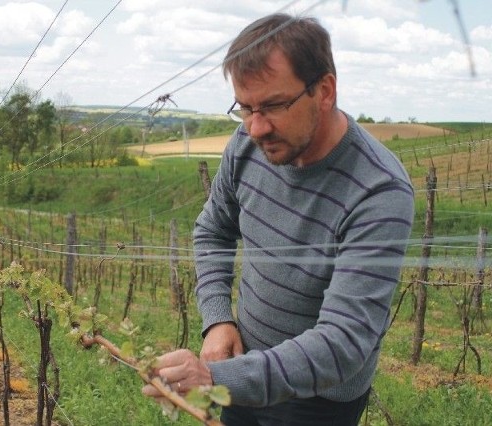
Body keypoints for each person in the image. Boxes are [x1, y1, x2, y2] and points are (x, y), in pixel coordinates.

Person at [142, 12, 414, 426]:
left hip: (318, 400)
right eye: (244, 108)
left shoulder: (378, 190)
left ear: (324, 90)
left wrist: (213, 375)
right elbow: (213, 230)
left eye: (271, 106)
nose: (255, 127)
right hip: (243, 367)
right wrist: (217, 319)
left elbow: (342, 342)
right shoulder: (247, 145)